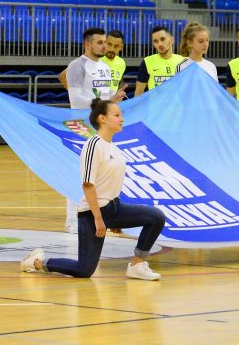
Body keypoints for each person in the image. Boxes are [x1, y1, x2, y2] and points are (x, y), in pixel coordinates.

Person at [24, 99, 163, 280]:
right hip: (92, 213)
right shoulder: (93, 145)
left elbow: (110, 184)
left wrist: (115, 220)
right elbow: (88, 184)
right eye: (117, 115)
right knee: (84, 270)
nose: (122, 119)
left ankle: (137, 264)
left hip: (113, 208)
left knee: (156, 217)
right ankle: (37, 262)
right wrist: (99, 219)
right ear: (102, 118)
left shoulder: (113, 147)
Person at [103, 30, 131, 96]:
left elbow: (119, 82)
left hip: (112, 104)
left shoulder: (121, 63)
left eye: (116, 46)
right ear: (104, 43)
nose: (112, 49)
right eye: (109, 44)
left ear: (121, 47)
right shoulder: (95, 59)